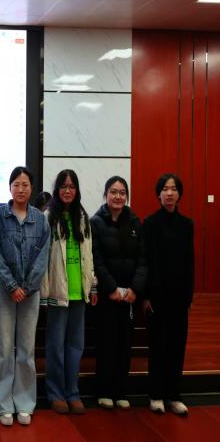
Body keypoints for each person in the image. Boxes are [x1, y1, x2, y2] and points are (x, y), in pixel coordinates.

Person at [0, 166, 50, 427]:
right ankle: (3, 404)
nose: (21, 189)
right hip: (5, 292)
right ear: (10, 188)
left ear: (31, 188)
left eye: (25, 184)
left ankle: (24, 403)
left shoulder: (40, 219)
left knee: (26, 349)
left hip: (30, 293)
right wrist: (12, 285)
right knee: (4, 349)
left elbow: (43, 256)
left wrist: (26, 286)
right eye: (16, 184)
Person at [40, 169, 97, 415]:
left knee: (76, 346)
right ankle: (55, 393)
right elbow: (42, 258)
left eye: (72, 186)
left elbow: (89, 255)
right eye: (63, 186)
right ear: (57, 189)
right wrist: (44, 291)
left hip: (78, 292)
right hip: (57, 291)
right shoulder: (47, 217)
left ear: (77, 190)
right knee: (56, 346)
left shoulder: (82, 218)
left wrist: (92, 285)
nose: (67, 190)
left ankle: (73, 392)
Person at [90, 176, 147, 410]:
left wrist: (135, 288)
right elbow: (96, 260)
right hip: (107, 295)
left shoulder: (134, 222)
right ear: (105, 195)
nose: (118, 196)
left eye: (122, 192)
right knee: (107, 343)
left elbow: (142, 259)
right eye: (113, 192)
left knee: (125, 344)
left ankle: (120, 391)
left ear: (127, 196)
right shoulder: (96, 222)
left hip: (130, 296)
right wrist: (111, 288)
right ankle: (104, 391)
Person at [143, 173, 194, 416]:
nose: (170, 193)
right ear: (158, 194)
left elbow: (189, 262)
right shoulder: (150, 223)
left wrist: (189, 295)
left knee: (177, 346)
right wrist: (147, 295)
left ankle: (174, 395)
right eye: (165, 189)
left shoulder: (187, 224)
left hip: (179, 297)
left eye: (173, 189)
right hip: (157, 296)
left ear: (179, 193)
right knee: (158, 346)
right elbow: (148, 261)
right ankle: (155, 395)